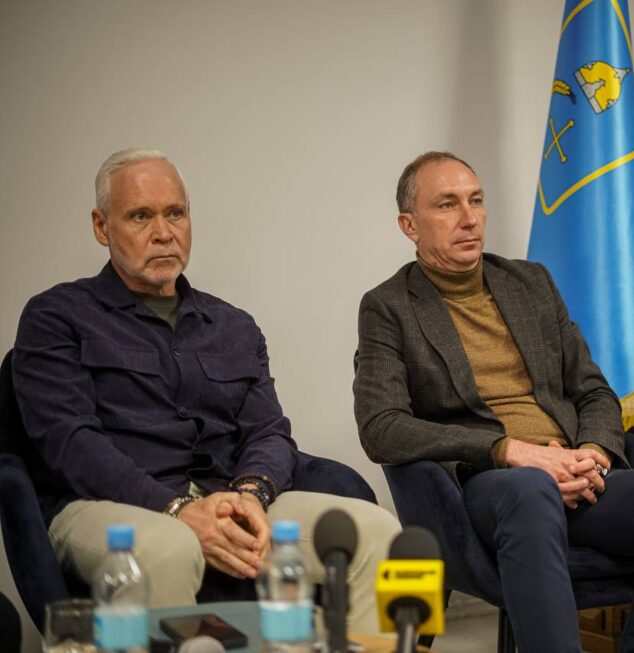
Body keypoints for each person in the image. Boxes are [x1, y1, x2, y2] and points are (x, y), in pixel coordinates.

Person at [354, 151, 634, 653]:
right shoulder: (388, 307)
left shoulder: (530, 282)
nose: (469, 218)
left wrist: (592, 454)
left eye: (476, 200)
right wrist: (511, 451)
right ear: (409, 225)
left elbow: (593, 389)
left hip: (572, 471)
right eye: (447, 204)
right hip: (486, 486)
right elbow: (381, 427)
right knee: (530, 488)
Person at [12, 149, 400, 630]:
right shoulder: (57, 316)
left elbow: (269, 432)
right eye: (140, 216)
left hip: (226, 496)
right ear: (100, 226)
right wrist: (176, 509)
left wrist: (251, 494)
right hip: (106, 507)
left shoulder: (233, 326)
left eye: (175, 213)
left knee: (376, 534)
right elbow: (70, 444)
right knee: (170, 549)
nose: (163, 232)